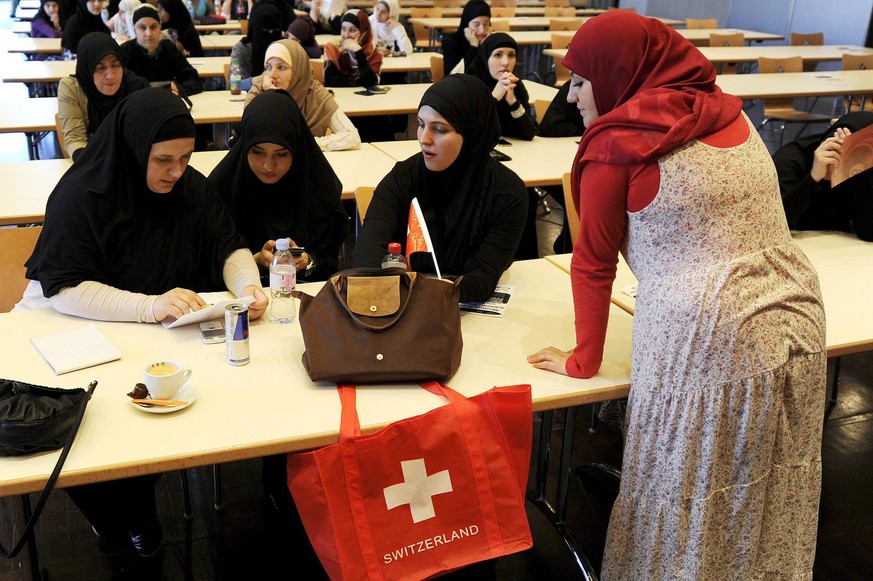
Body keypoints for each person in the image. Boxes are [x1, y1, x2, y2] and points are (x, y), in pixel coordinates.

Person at [527, 12, 826, 580]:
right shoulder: (725, 110)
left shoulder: (616, 148)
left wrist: (582, 360)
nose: (571, 94)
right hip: (798, 316)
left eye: (582, 81)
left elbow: (592, 265)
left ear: (620, 75)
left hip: (710, 340)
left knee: (688, 497)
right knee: (775, 486)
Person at [22, 88, 268, 558]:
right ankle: (119, 516)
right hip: (70, 328)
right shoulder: (83, 192)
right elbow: (65, 288)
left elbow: (228, 243)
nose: (177, 172)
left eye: (185, 157)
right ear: (135, 149)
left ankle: (135, 507)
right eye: (163, 160)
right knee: (82, 429)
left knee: (150, 412)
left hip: (146, 336)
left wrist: (246, 286)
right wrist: (149, 305)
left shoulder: (188, 187)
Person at [354, 74, 528, 302]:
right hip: (401, 306)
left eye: (439, 129)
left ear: (472, 133)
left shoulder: (508, 192)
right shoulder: (403, 178)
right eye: (421, 124)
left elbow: (484, 276)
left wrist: (442, 295)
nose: (424, 139)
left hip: (462, 310)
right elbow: (367, 256)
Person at [773, 111, 873, 241]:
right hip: (795, 240)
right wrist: (814, 178)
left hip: (836, 246)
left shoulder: (861, 170)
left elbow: (868, 232)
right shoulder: (790, 160)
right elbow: (773, 225)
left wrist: (866, 172)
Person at [247, 39, 361, 151]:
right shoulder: (258, 93)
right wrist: (273, 96)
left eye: (281, 67)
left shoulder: (314, 93)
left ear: (298, 69)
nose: (272, 75)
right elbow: (262, 140)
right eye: (268, 67)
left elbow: (352, 137)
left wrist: (307, 145)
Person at [58, 32, 150, 161]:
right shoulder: (72, 88)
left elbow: (145, 136)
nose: (110, 76)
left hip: (131, 161)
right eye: (100, 68)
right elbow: (74, 138)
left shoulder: (138, 87)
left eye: (116, 65)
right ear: (88, 69)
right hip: (91, 159)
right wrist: (90, 164)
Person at [120, 4, 204, 99]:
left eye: (153, 27)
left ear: (160, 28)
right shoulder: (126, 51)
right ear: (134, 30)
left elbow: (194, 79)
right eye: (142, 28)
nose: (148, 34)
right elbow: (121, 87)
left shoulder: (169, 48)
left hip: (168, 103)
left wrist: (179, 90)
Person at [466, 32, 537, 141]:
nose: (506, 62)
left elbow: (529, 133)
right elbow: (471, 132)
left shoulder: (515, 85)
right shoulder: (470, 86)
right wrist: (494, 97)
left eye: (511, 55)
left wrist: (513, 102)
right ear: (485, 58)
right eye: (498, 55)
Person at [230, 3, 284, 90]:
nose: (270, 35)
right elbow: (233, 85)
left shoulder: (285, 48)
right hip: (249, 98)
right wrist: (259, 79)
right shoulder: (242, 49)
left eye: (275, 31)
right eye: (265, 31)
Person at [323, 9, 382, 88]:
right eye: (343, 29)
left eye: (352, 30)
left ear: (364, 33)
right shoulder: (333, 47)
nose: (346, 35)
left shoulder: (374, 53)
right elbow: (330, 81)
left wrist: (358, 51)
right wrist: (358, 81)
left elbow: (371, 83)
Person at [440, 0, 490, 76]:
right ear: (466, 24)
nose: (482, 30)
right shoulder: (450, 41)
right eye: (476, 25)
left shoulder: (489, 40)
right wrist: (473, 46)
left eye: (486, 24)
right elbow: (454, 75)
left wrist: (487, 45)